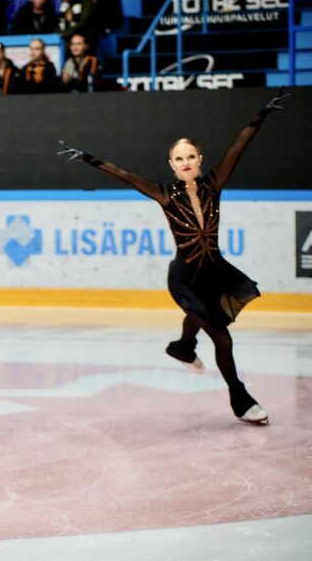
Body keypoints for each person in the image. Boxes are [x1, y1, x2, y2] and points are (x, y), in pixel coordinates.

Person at [57, 90, 290, 426]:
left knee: (200, 318)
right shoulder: (164, 194)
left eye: (191, 157)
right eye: (179, 159)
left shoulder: (214, 184)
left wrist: (260, 115)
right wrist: (88, 158)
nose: (186, 163)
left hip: (215, 273)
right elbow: (127, 176)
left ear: (199, 159)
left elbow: (237, 149)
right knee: (222, 338)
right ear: (172, 164)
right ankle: (240, 400)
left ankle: (182, 347)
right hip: (184, 278)